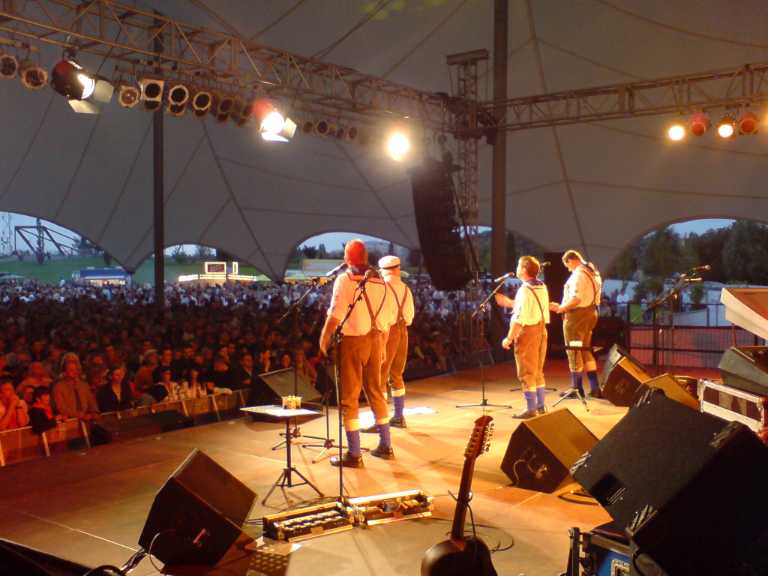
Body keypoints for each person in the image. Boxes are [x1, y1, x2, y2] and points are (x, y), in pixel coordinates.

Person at [319, 239, 397, 468]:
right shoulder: (381, 282)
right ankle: (386, 445)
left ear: (348, 258)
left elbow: (335, 314)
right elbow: (389, 318)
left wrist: (324, 337)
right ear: (365, 257)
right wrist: (381, 344)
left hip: (353, 342)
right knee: (376, 392)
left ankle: (354, 453)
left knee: (349, 398)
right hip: (377, 339)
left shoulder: (345, 280)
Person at [363, 255, 414, 432]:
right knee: (397, 375)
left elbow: (380, 316)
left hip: (388, 332)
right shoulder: (406, 289)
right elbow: (410, 317)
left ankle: (380, 421)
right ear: (398, 269)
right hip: (403, 332)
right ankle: (399, 416)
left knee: (380, 378)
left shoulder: (383, 288)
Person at [500, 256, 550, 418]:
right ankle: (541, 406)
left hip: (528, 333)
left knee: (526, 371)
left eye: (518, 265)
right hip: (542, 330)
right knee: (537, 370)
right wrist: (511, 303)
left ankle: (531, 409)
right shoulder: (542, 286)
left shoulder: (524, 290)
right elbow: (532, 307)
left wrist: (508, 338)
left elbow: (519, 319)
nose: (517, 268)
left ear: (524, 270)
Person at [549, 249, 603, 398]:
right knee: (585, 350)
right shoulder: (594, 272)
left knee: (574, 350)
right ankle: (595, 388)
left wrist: (561, 308)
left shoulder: (578, 275)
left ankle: (576, 388)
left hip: (577, 317)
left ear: (571, 260)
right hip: (591, 313)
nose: (568, 268)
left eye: (567, 265)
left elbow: (576, 299)